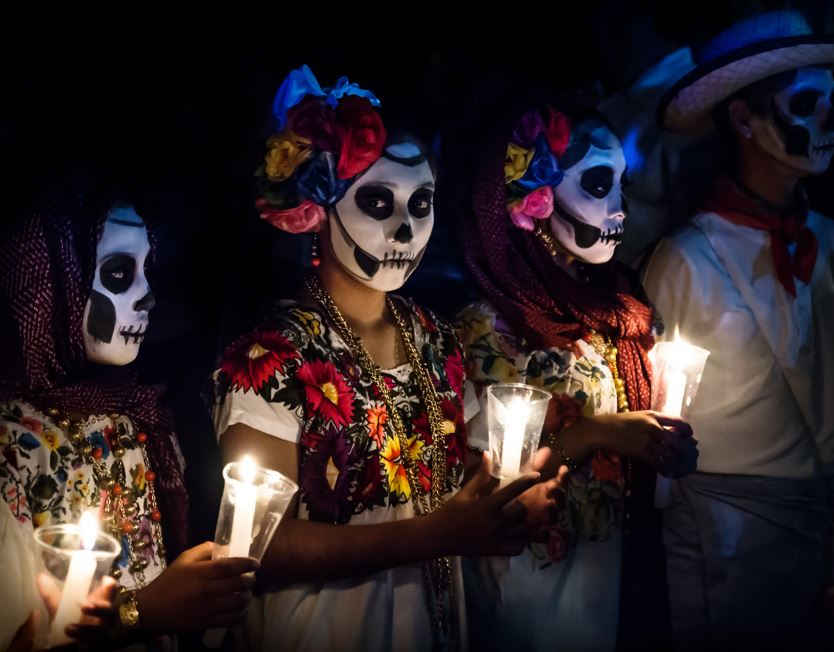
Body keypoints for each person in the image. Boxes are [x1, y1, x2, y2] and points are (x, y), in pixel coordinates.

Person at [208, 66, 550, 652]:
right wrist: (433, 535)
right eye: (376, 200)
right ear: (316, 208)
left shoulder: (433, 337)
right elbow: (259, 547)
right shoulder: (271, 358)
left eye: (422, 203)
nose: (405, 229)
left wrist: (511, 498)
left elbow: (462, 471)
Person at [449, 99, 697, 651]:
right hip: (527, 588)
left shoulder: (611, 311)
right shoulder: (485, 330)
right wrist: (600, 432)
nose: (619, 208)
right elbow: (485, 489)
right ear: (535, 200)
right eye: (597, 183)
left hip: (603, 573)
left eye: (622, 186)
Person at [643, 9, 834, 650]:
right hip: (724, 540)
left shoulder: (828, 242)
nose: (829, 120)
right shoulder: (685, 258)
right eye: (806, 103)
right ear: (744, 120)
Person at [0, 177, 258, 650]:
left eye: (148, 271)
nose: (148, 296)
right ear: (52, 284)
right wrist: (146, 611)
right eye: (119, 274)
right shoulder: (10, 448)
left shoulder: (136, 418)